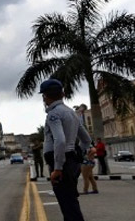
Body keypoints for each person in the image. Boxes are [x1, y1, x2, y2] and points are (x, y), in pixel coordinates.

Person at [40, 78, 91, 221]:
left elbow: (60, 140)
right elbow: (86, 139)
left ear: (45, 97)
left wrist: (58, 167)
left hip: (62, 165)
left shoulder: (54, 114)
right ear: (62, 94)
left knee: (68, 206)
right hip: (71, 162)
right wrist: (77, 156)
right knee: (71, 203)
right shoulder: (71, 113)